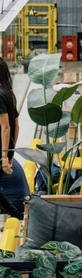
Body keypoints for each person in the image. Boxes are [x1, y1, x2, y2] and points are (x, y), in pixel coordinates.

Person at [0, 59, 23, 220]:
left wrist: (4, 156)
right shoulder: (9, 94)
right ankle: (18, 215)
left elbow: (6, 127)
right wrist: (10, 153)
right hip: (5, 148)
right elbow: (17, 126)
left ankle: (17, 215)